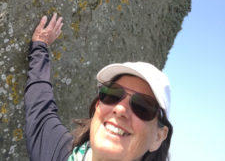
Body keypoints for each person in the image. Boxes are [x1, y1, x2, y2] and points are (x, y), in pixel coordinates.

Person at [25, 13, 173, 161]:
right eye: (112, 95)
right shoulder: (58, 152)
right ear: (97, 107)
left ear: (158, 137)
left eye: (143, 106)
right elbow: (40, 106)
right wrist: (40, 46)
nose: (120, 109)